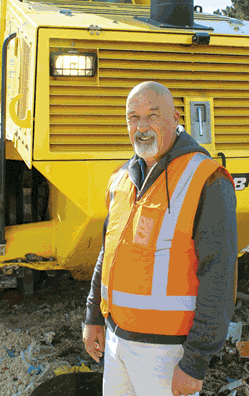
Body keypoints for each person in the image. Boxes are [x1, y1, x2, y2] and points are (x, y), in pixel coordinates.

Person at [82, 81, 238, 396]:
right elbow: (107, 254)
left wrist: (195, 362)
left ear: (176, 118)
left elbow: (219, 275)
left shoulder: (206, 179)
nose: (141, 127)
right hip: (116, 343)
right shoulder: (122, 179)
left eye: (152, 116)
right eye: (132, 117)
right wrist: (93, 316)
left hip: (166, 356)